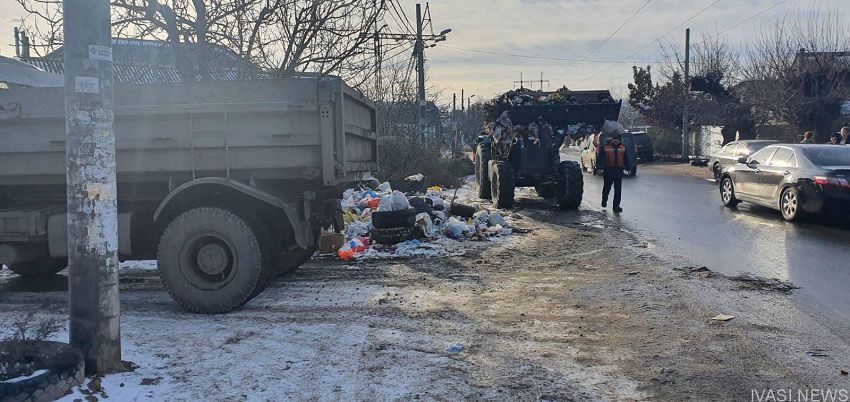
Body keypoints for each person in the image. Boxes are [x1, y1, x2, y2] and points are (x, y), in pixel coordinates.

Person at [596, 133, 630, 213]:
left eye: (617, 140)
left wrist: (628, 168)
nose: (616, 141)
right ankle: (604, 201)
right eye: (615, 139)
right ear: (611, 140)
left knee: (618, 190)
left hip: (618, 171)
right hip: (608, 171)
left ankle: (616, 206)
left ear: (620, 140)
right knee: (607, 188)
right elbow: (600, 159)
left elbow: (626, 159)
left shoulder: (622, 148)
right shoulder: (605, 148)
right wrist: (599, 168)